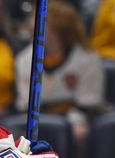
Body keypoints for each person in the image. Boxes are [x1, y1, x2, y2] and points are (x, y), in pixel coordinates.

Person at [15, 1, 105, 147]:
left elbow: (90, 105)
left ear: (59, 29)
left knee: (80, 131)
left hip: (80, 125)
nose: (33, 27)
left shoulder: (87, 58)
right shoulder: (25, 60)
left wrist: (72, 121)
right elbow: (25, 105)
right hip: (39, 124)